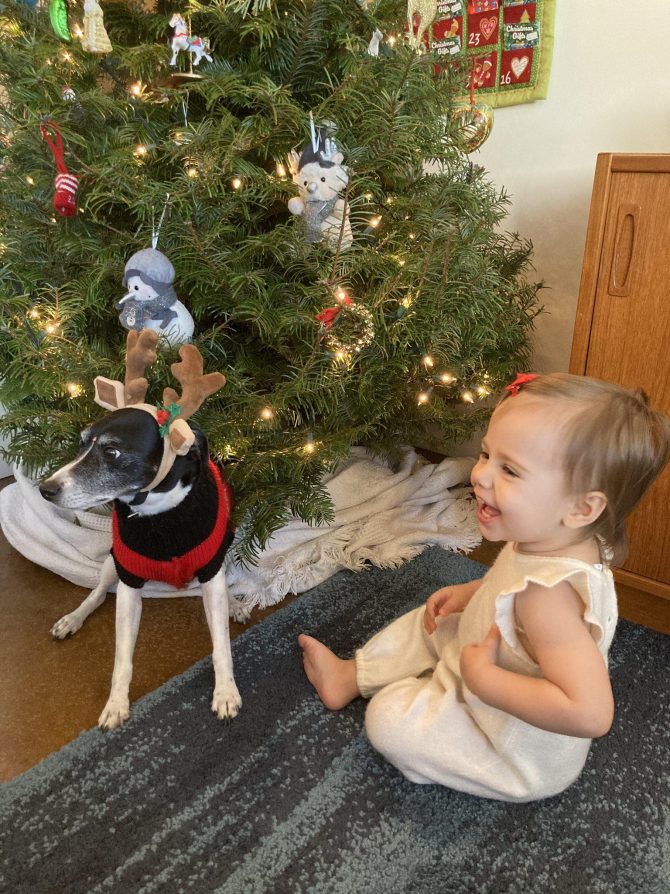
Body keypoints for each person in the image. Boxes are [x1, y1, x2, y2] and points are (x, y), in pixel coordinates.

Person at [298, 373, 670, 802]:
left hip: (511, 744)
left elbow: (590, 713)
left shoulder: (548, 598)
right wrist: (476, 592)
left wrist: (485, 680)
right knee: (433, 620)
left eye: (509, 470)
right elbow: (513, 578)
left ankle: (436, 698)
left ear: (581, 508)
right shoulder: (551, 534)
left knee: (386, 721)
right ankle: (350, 677)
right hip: (489, 658)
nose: (480, 475)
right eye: (486, 454)